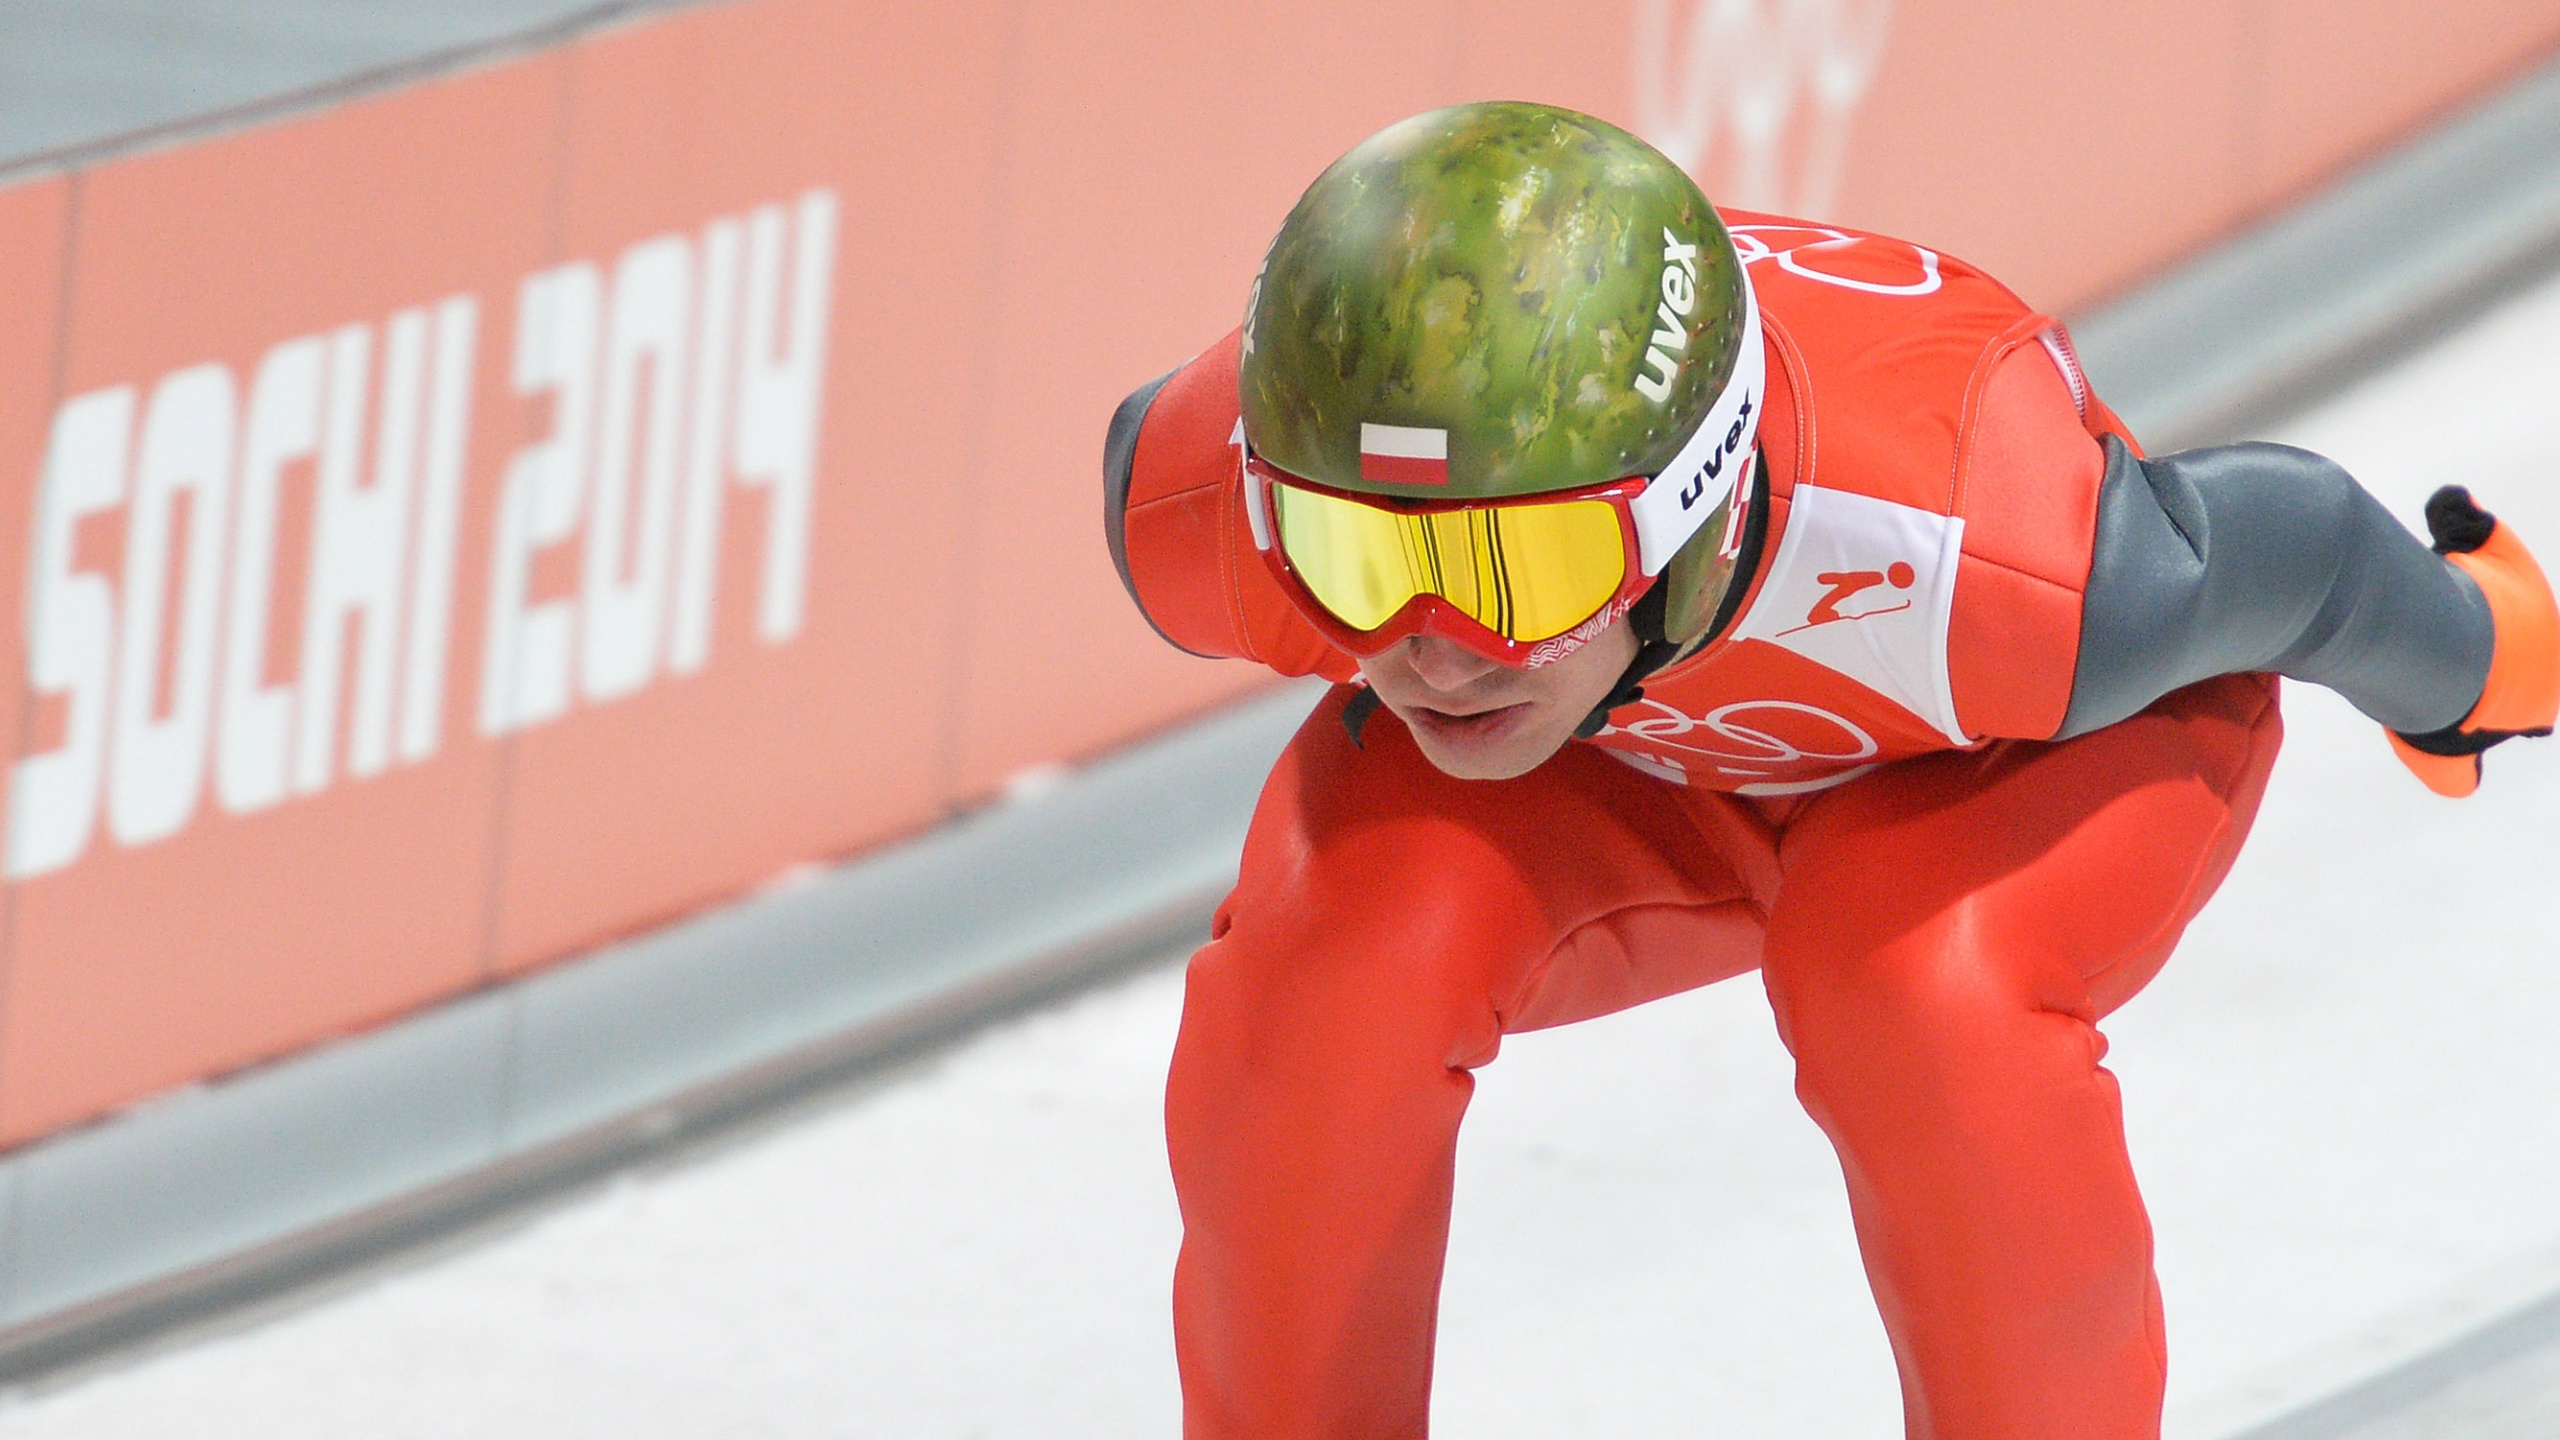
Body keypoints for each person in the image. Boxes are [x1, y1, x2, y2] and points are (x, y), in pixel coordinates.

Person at [1100, 101, 2558, 1440]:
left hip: (2010, 757)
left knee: (1912, 982)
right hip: (1625, 747)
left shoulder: (1994, 559)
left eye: (1520, 566)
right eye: (1362, 560)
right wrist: (1483, 587)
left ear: (1695, 498)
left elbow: (2297, 553)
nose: (1434, 650)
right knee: (1335, 958)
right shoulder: (1214, 514)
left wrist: (2488, 662)